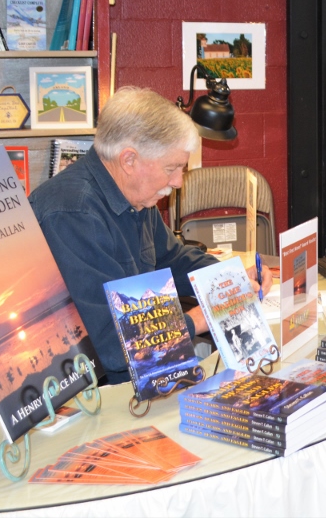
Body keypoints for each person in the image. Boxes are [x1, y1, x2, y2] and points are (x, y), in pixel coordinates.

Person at [30, 86, 271, 384]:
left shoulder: (134, 194)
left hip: (146, 367)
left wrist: (232, 279)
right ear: (129, 160)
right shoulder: (72, 214)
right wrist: (201, 317)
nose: (178, 182)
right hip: (97, 389)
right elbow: (111, 344)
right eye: (171, 168)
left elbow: (172, 258)